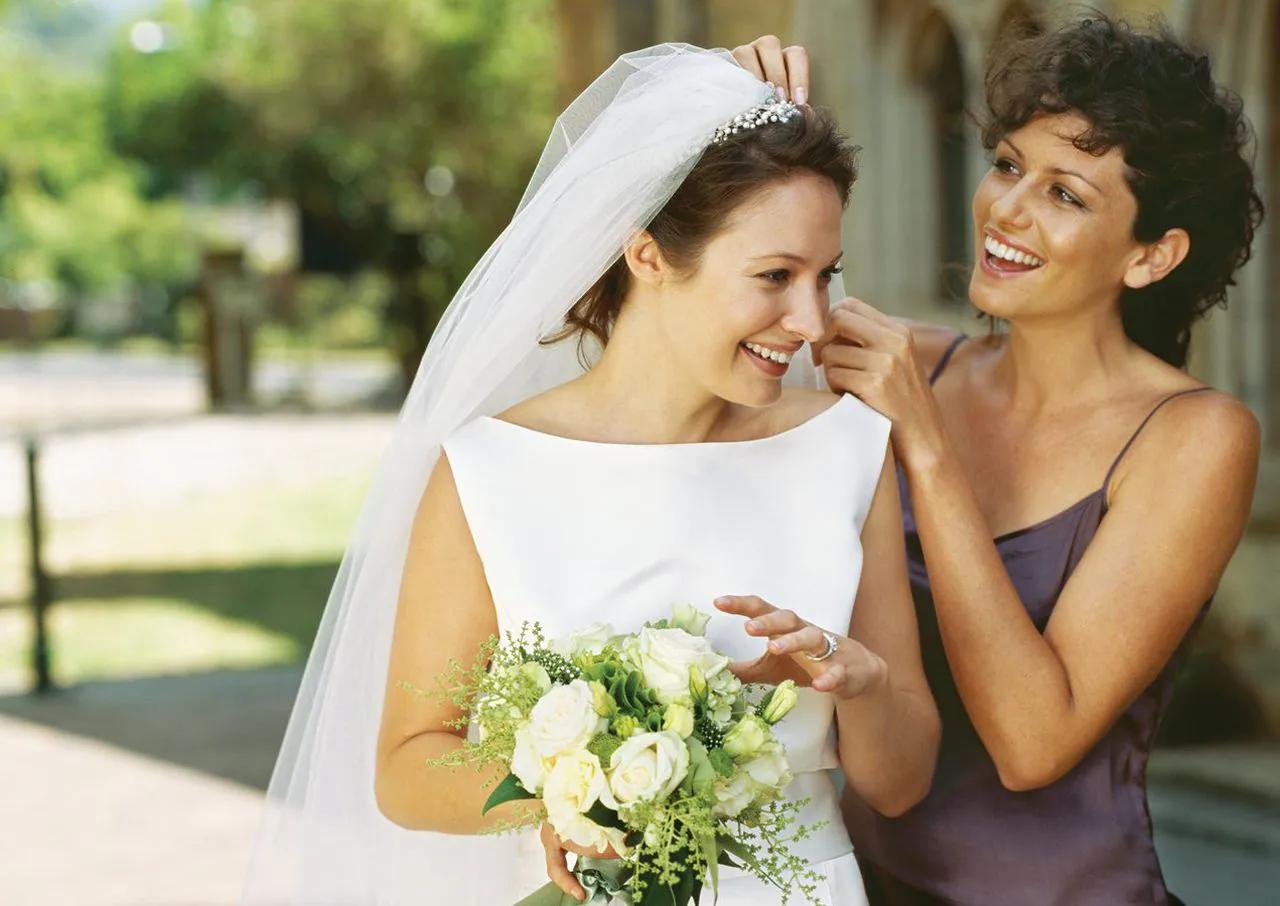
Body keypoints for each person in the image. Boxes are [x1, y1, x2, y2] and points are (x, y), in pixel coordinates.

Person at [240, 45, 938, 906]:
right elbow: (407, 766)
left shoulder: (844, 447)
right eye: (774, 276)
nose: (810, 319)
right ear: (647, 254)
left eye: (824, 275)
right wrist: (581, 792)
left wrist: (857, 679)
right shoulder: (490, 468)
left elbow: (900, 784)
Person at [741, 14, 1263, 906]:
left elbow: (1033, 742)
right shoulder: (906, 364)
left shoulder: (1195, 436)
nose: (1007, 210)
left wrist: (928, 449)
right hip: (854, 887)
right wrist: (743, 122)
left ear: (1152, 255)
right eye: (1010, 165)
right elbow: (681, 311)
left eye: (1067, 195)